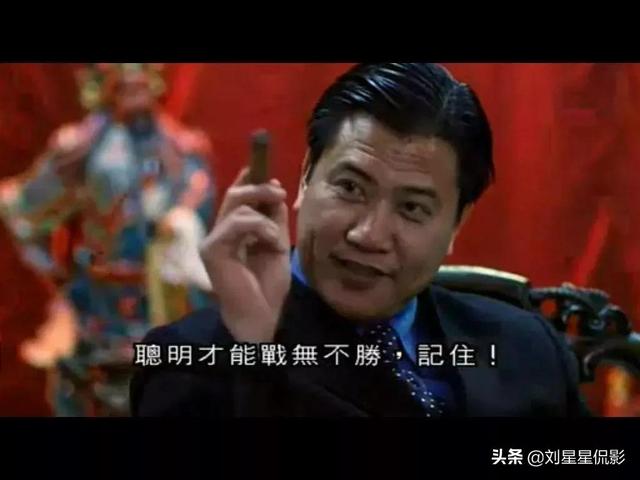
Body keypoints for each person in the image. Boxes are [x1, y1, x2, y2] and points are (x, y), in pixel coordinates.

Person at [130, 63, 590, 417]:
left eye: (412, 208)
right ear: (306, 177)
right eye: (350, 188)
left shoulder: (526, 348)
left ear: (457, 224)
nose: (368, 234)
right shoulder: (191, 363)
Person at [0, 63, 216, 416]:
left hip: (168, 315)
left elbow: (202, 236)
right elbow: (20, 210)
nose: (132, 77)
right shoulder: (85, 146)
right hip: (100, 320)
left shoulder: (185, 150)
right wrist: (58, 281)